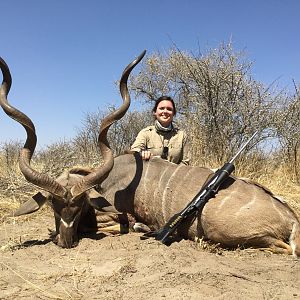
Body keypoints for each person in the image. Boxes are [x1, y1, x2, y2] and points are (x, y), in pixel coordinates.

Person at [131, 96, 189, 165]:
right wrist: (142, 152)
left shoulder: (181, 135)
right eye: (161, 108)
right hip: (150, 174)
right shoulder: (146, 133)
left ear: (174, 113)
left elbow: (185, 162)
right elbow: (134, 151)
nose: (165, 111)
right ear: (155, 112)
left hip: (175, 174)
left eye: (169, 109)